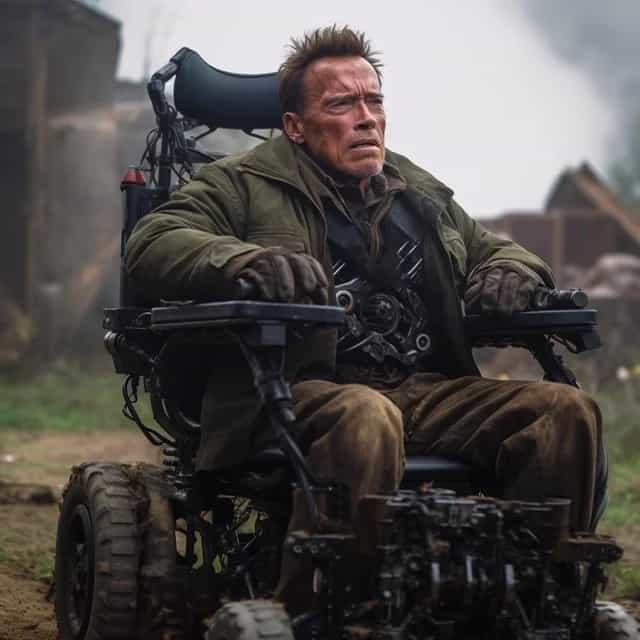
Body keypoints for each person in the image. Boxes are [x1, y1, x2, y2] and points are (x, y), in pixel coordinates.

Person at [126, 25, 605, 610]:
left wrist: (511, 270)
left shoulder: (416, 190)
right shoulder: (242, 184)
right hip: (292, 390)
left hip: (424, 390)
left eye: (373, 101)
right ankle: (324, 608)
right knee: (366, 414)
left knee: (564, 411)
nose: (366, 119)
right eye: (341, 105)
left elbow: (497, 250)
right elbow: (153, 240)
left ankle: (533, 603)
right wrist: (243, 260)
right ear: (295, 126)